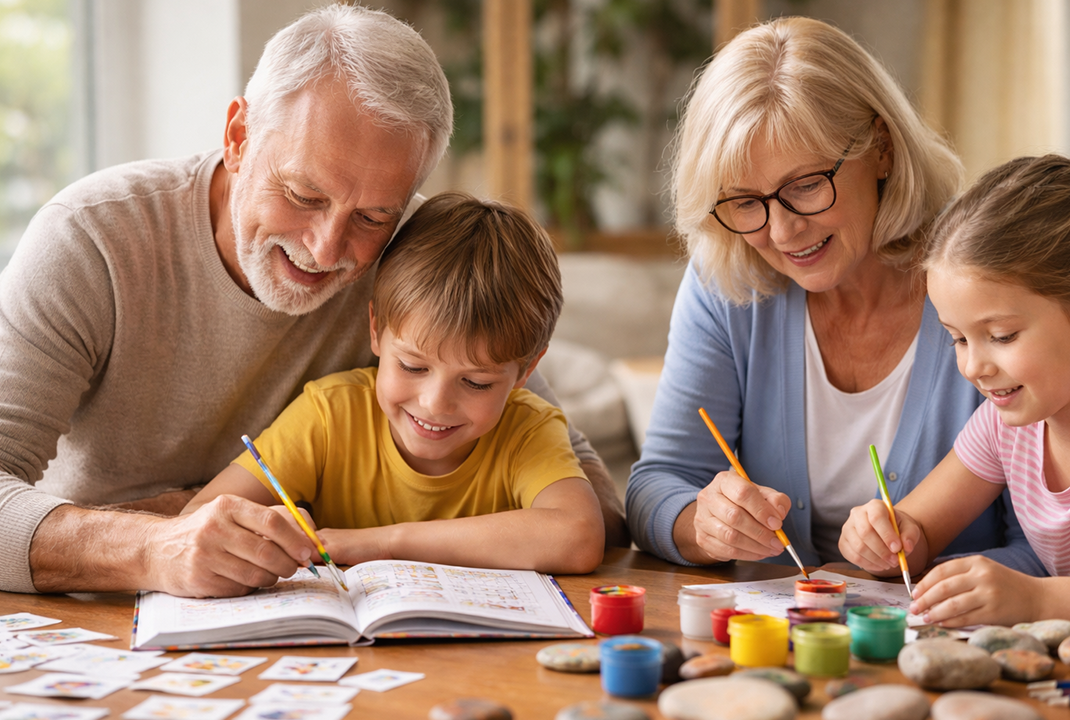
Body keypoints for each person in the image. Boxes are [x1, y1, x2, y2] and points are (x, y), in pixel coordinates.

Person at [0, 4, 623, 599]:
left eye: (375, 214)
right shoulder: (92, 237)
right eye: (303, 193)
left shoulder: (413, 259)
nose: (328, 250)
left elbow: (593, 505)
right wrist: (155, 543)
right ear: (239, 136)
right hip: (90, 610)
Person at [625, 16, 1043, 574]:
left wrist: (928, 577)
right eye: (745, 201)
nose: (780, 232)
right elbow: (657, 483)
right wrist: (701, 523)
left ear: (882, 149)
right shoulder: (725, 278)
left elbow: (1049, 540)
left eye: (804, 186)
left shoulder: (985, 279)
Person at [840, 155, 1070, 635]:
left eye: (1003, 336)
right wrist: (885, 537)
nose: (973, 367)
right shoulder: (1005, 424)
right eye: (959, 338)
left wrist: (1037, 599)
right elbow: (917, 532)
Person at [181, 192, 605, 574]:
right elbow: (200, 517)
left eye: (476, 383)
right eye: (413, 367)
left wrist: (384, 542)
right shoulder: (330, 416)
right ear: (376, 330)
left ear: (527, 371)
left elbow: (579, 536)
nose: (435, 404)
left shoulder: (528, 430)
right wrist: (264, 534)